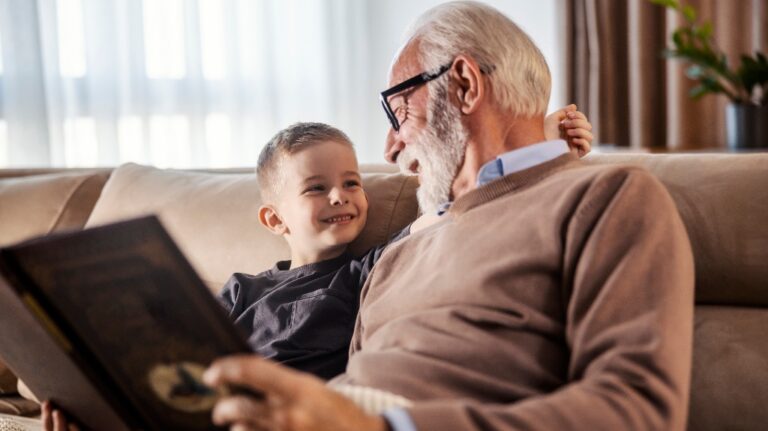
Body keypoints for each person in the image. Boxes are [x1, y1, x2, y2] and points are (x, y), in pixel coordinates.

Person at [197, 2, 695, 431]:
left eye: (398, 112)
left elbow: (636, 410)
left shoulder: (607, 199)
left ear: (463, 85)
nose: (390, 148)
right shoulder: (400, 254)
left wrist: (377, 426)